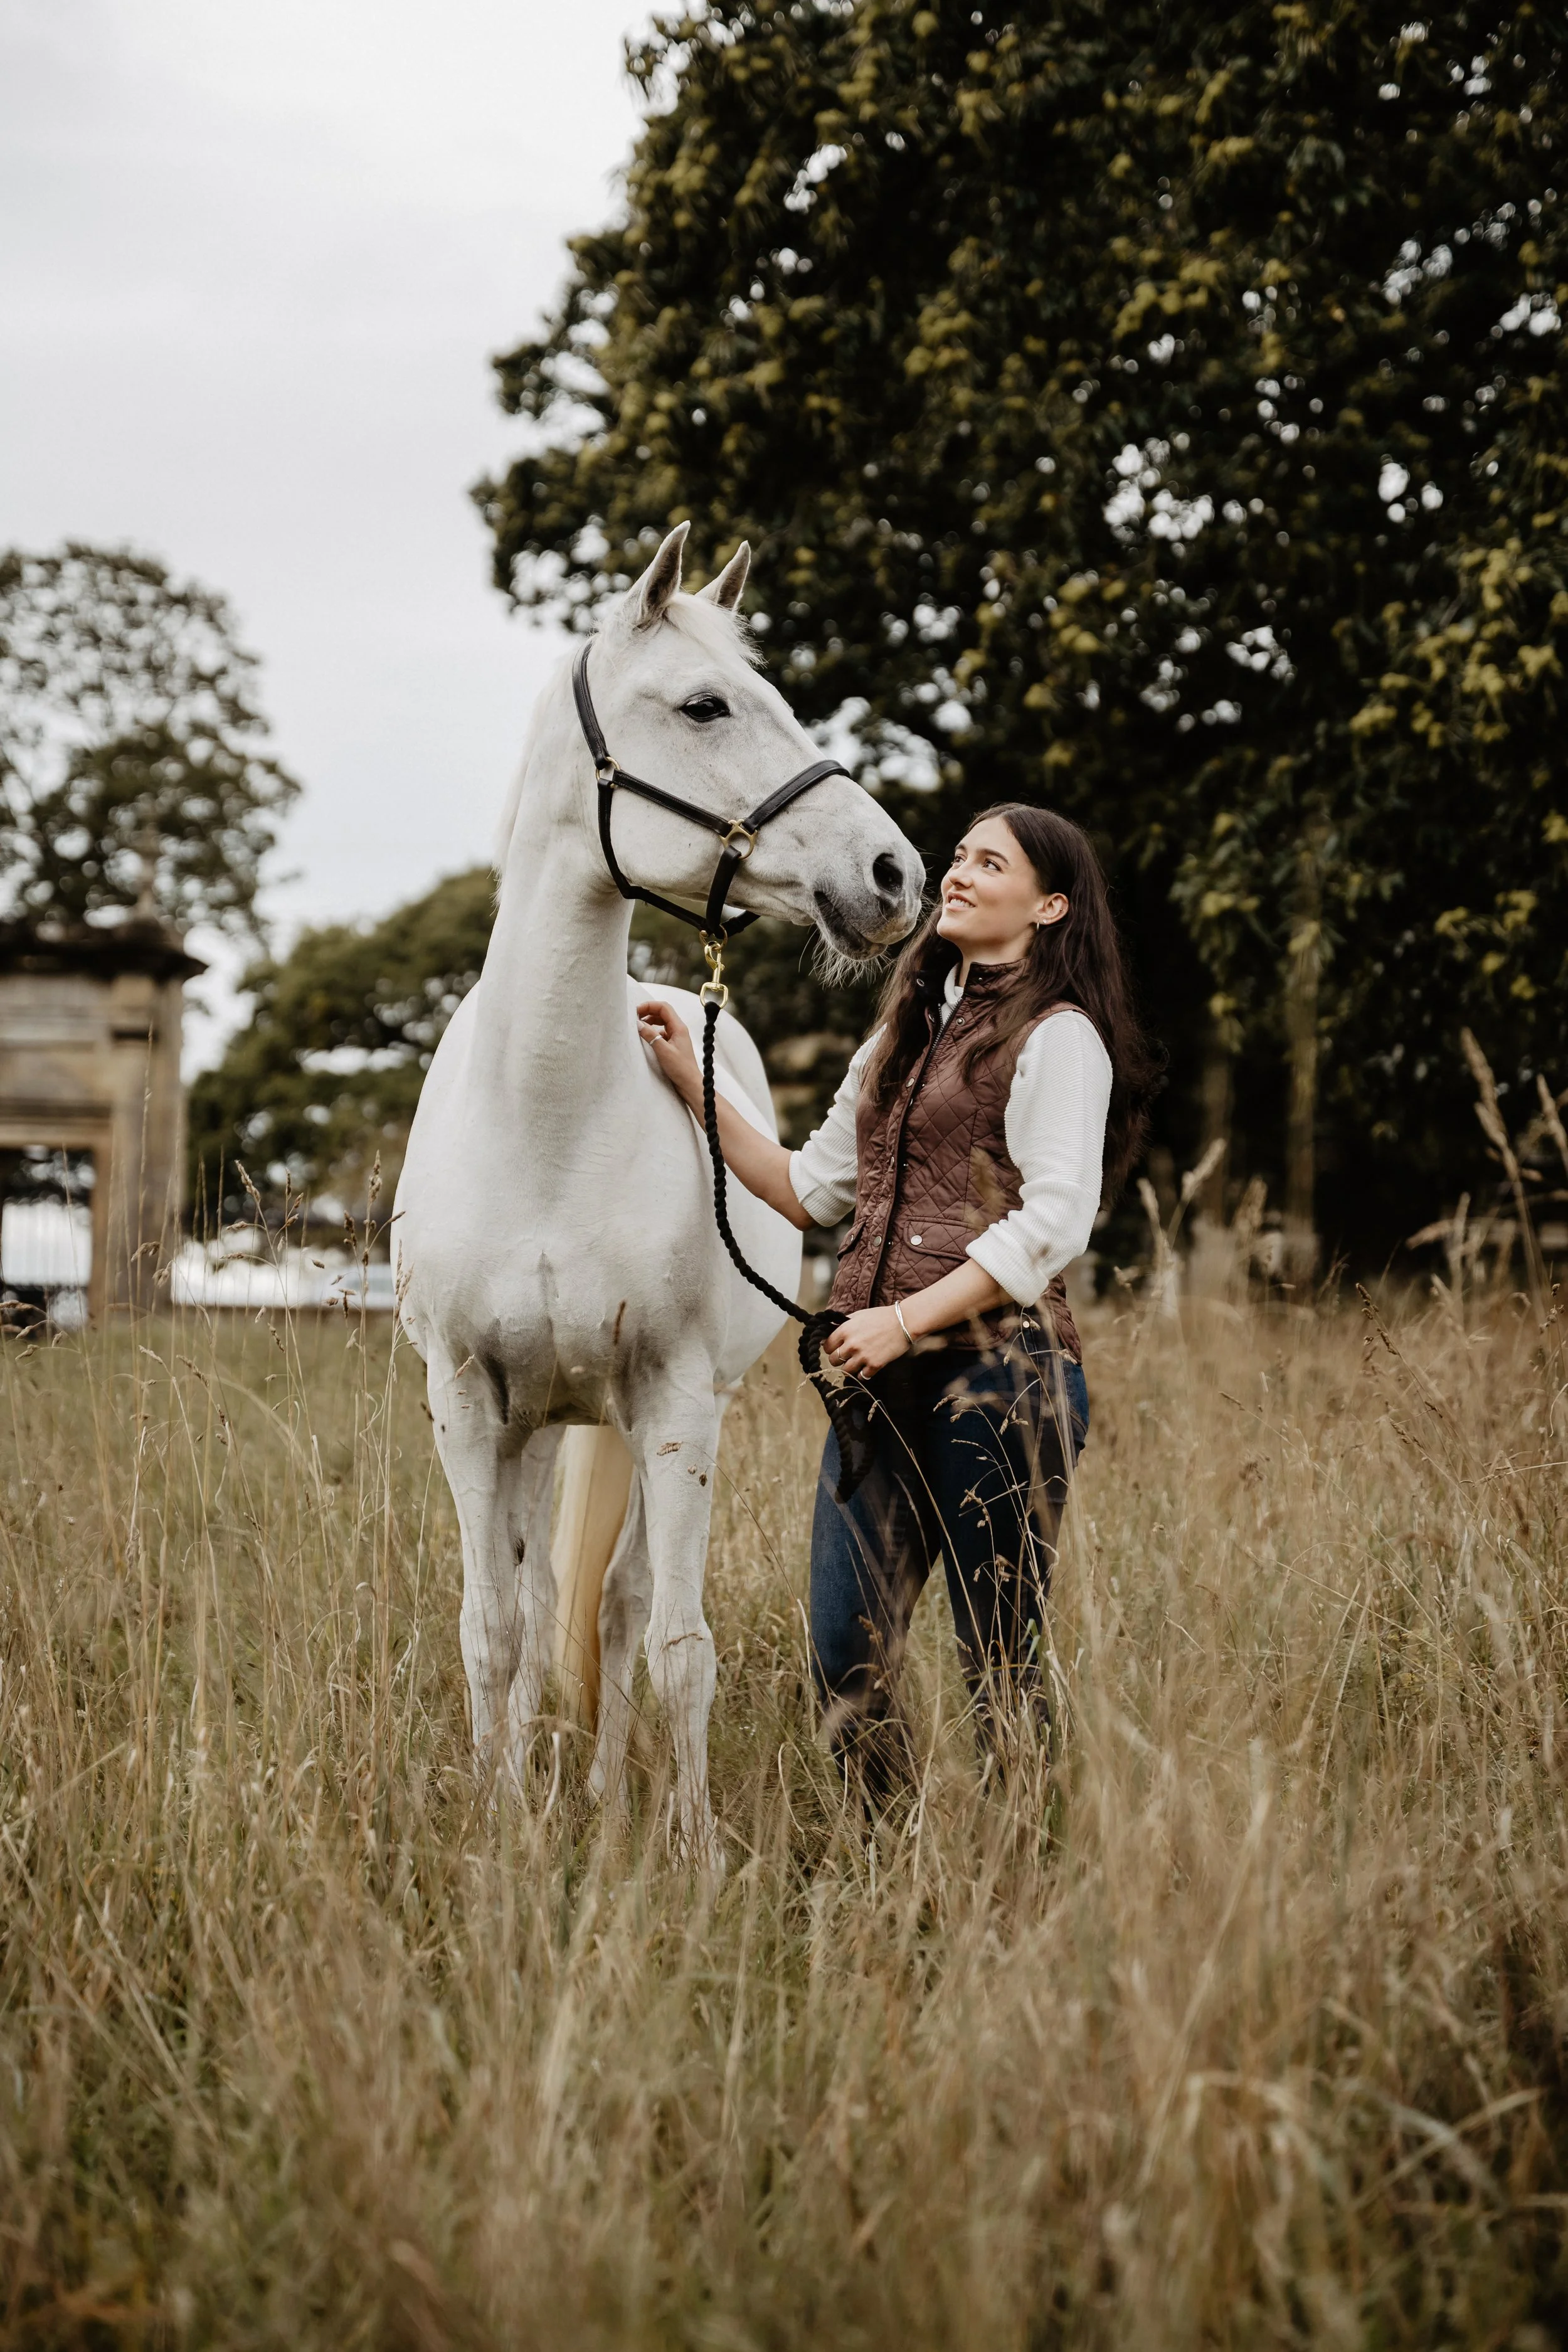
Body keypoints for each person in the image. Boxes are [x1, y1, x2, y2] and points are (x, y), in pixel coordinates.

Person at [635, 803, 1154, 1792]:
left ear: (1048, 905)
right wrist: (694, 1081)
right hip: (878, 1392)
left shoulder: (1063, 1038)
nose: (954, 873)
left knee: (999, 1662)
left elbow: (1051, 1224)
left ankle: (1020, 1874)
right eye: (957, 856)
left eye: (987, 863)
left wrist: (905, 1318)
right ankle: (895, 1869)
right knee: (845, 1659)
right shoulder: (904, 1033)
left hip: (1003, 1382)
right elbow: (807, 1185)